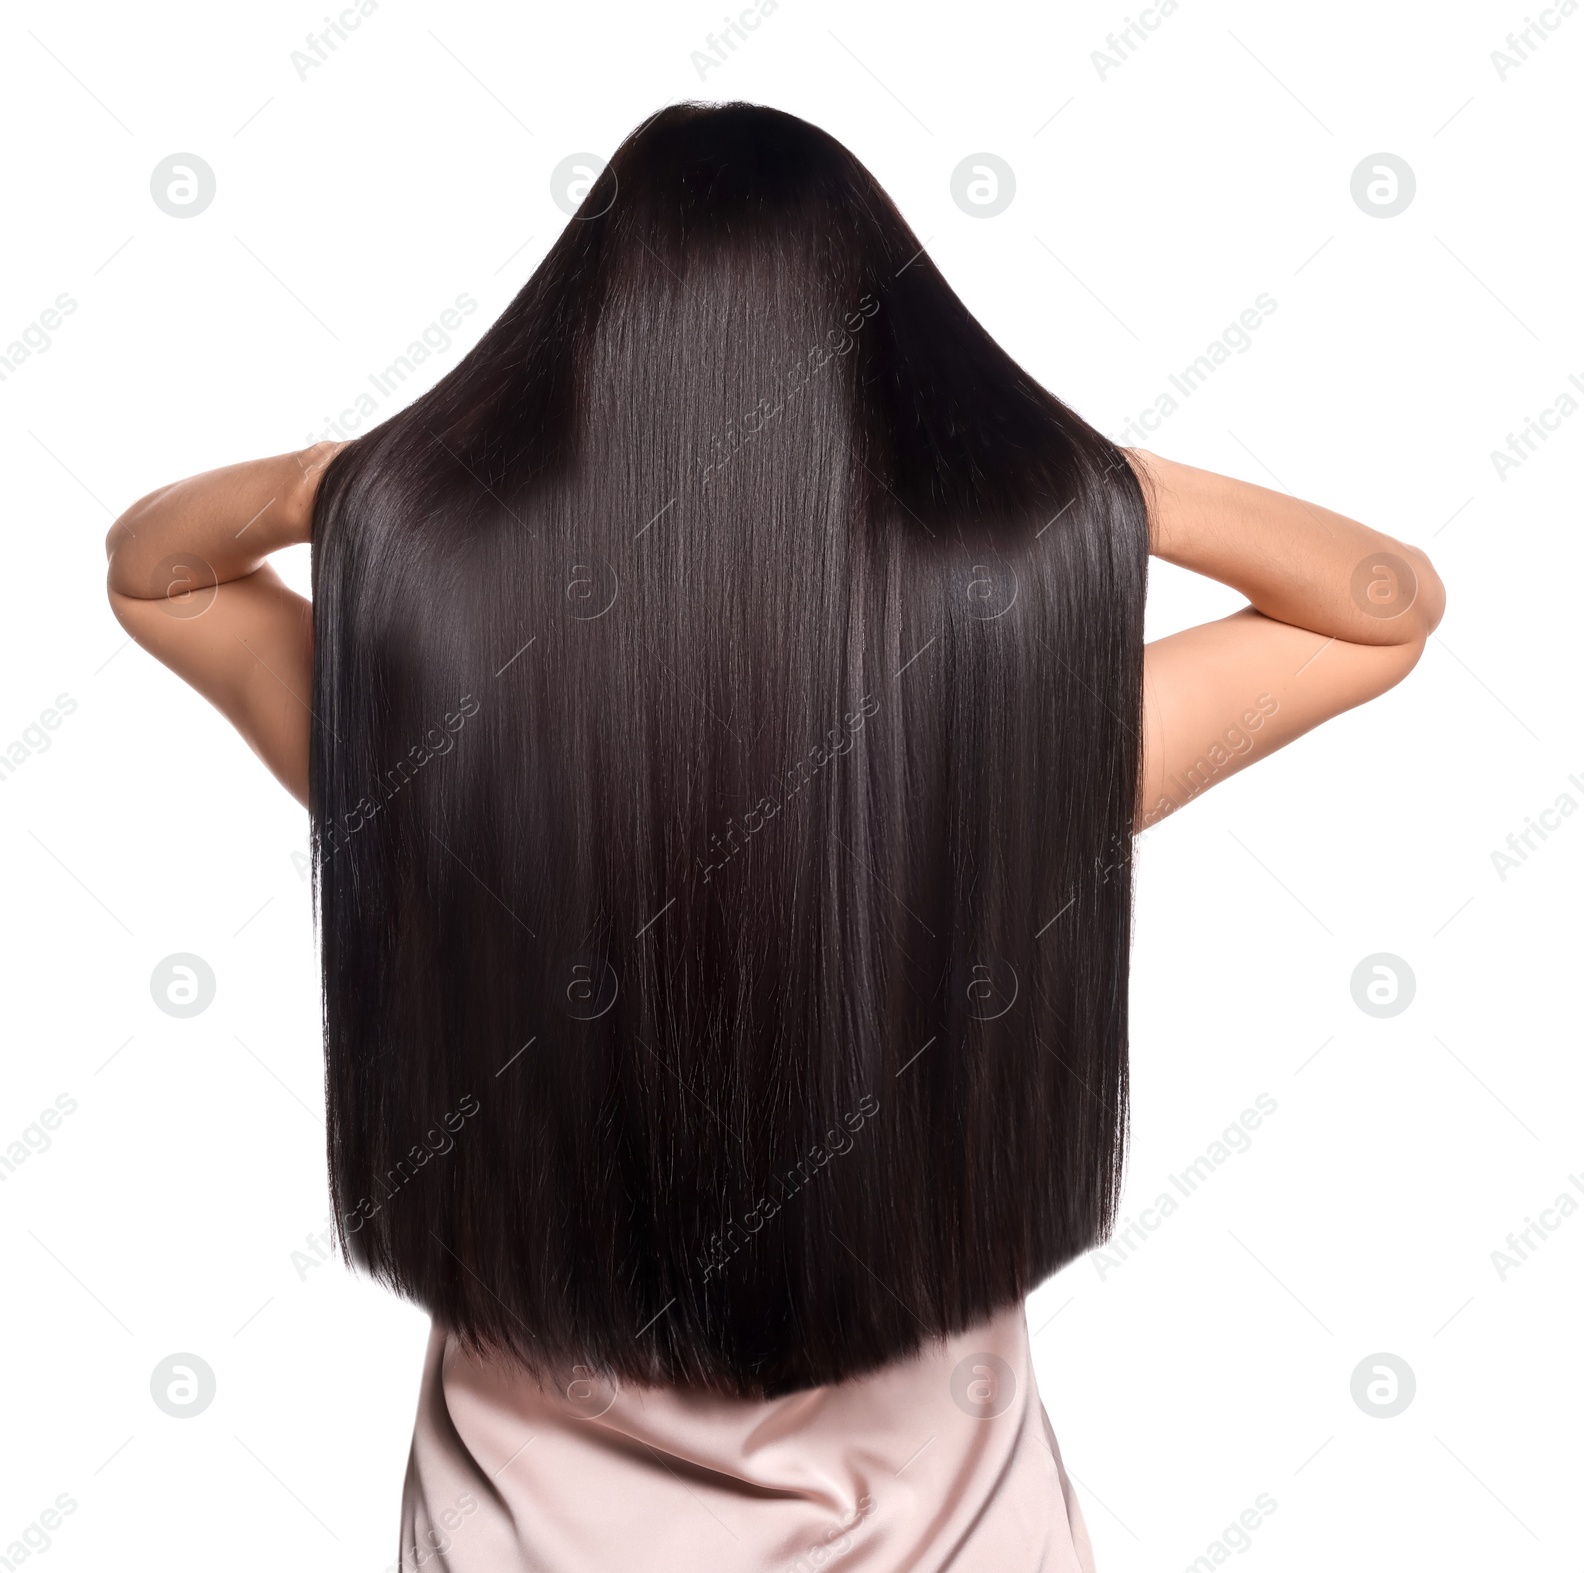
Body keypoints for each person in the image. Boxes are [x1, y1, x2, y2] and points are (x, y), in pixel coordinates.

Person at [105, 102, 1443, 1571]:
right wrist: (1066, 474)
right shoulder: (1005, 753)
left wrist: (343, 483)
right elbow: (1380, 605)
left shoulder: (431, 748)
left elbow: (155, 574)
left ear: (562, 401)